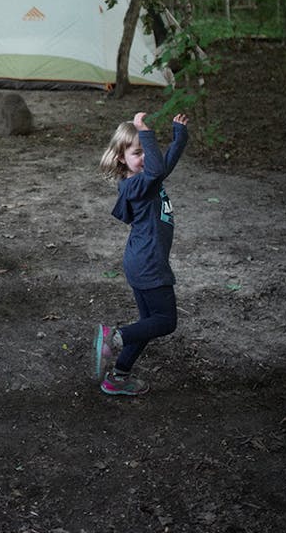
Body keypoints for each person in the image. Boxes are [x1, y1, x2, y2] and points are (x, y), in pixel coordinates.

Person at [93, 110, 190, 397]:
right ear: (122, 158)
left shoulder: (147, 178)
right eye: (138, 152)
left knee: (147, 325)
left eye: (148, 151)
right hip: (148, 264)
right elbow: (158, 169)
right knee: (166, 321)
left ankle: (118, 377)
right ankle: (114, 338)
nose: (146, 157)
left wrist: (179, 136)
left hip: (142, 261)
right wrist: (143, 129)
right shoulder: (136, 184)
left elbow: (162, 165)